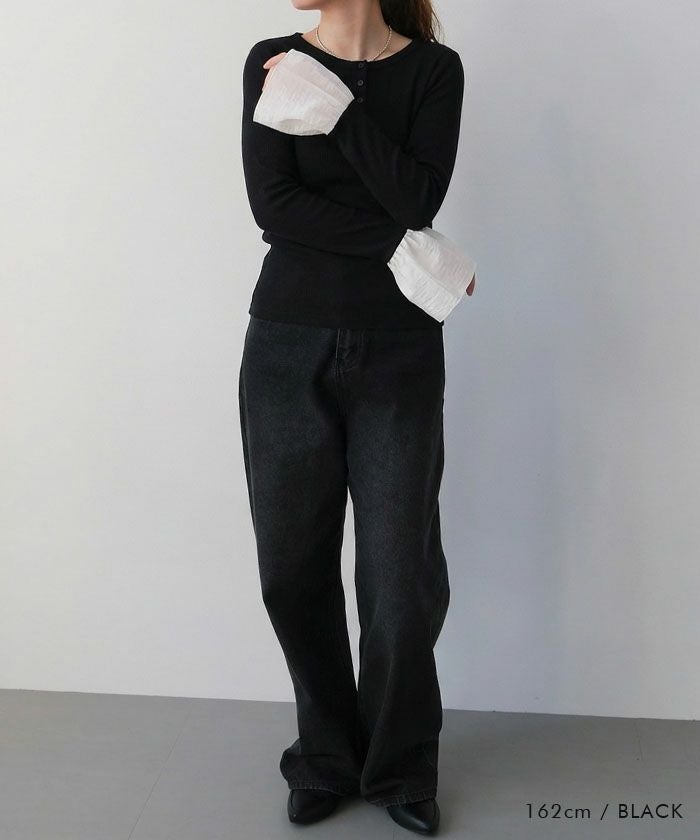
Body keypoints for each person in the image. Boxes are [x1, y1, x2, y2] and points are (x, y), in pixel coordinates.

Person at [239, 1, 476, 834]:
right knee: (290, 568)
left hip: (399, 352)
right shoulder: (271, 59)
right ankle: (326, 755)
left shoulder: (433, 71)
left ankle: (402, 765)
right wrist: (402, 246)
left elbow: (416, 196)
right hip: (285, 345)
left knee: (399, 578)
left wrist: (334, 109)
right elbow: (275, 207)